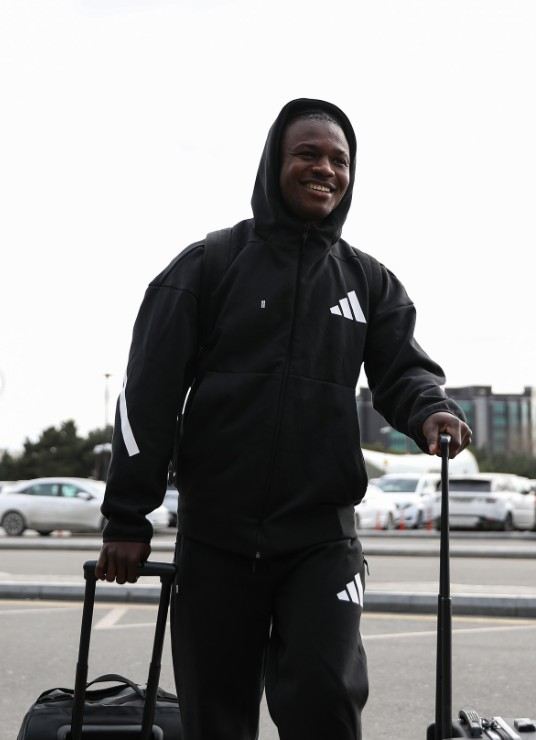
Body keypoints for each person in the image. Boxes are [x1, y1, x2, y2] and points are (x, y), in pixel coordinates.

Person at [96, 98, 472, 740]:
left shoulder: (369, 281)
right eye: (308, 154)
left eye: (339, 160)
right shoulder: (207, 265)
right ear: (275, 162)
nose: (325, 169)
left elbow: (404, 371)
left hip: (321, 539)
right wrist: (128, 517)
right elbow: (146, 398)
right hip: (216, 537)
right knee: (217, 719)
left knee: (326, 697)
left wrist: (432, 409)